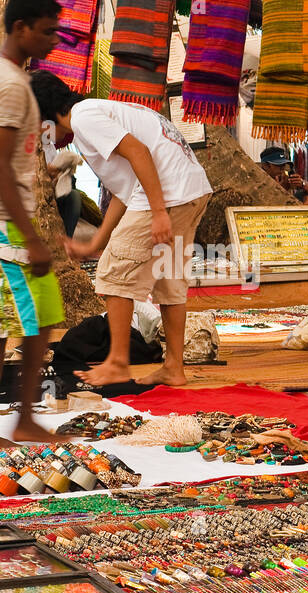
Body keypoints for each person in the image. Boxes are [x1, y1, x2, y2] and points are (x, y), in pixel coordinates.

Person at [32, 70, 213, 388]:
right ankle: (173, 367)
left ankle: (116, 362)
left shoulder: (85, 117)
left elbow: (139, 153)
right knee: (169, 279)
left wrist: (158, 211)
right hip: (190, 188)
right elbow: (124, 190)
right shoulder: (95, 115)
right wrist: (94, 243)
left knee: (113, 272)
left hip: (169, 193)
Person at [0, 0, 62, 443]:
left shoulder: (16, 79)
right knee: (31, 319)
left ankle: (24, 417)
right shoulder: (10, 84)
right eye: (46, 31)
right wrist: (29, 235)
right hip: (7, 222)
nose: (53, 41)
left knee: (37, 317)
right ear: (20, 28)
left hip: (12, 219)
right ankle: (22, 418)